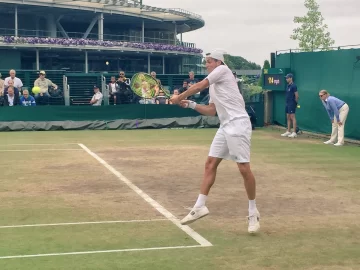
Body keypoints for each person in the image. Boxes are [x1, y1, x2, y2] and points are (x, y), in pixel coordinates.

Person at [170, 49, 260, 234]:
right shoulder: (214, 85)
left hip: (239, 124)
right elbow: (212, 111)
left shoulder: (223, 71)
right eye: (206, 61)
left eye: (209, 61)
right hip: (225, 125)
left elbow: (199, 86)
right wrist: (192, 104)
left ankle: (253, 212)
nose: (206, 64)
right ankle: (200, 206)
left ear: (218, 62)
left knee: (243, 169)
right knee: (210, 164)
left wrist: (179, 97)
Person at [281, 73, 299, 138]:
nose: (286, 79)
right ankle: (288, 131)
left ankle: (294, 132)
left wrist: (295, 103)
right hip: (287, 103)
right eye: (286, 78)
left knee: (292, 117)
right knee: (288, 117)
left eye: (287, 78)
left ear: (291, 78)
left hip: (292, 103)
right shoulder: (287, 86)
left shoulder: (294, 86)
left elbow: (297, 96)